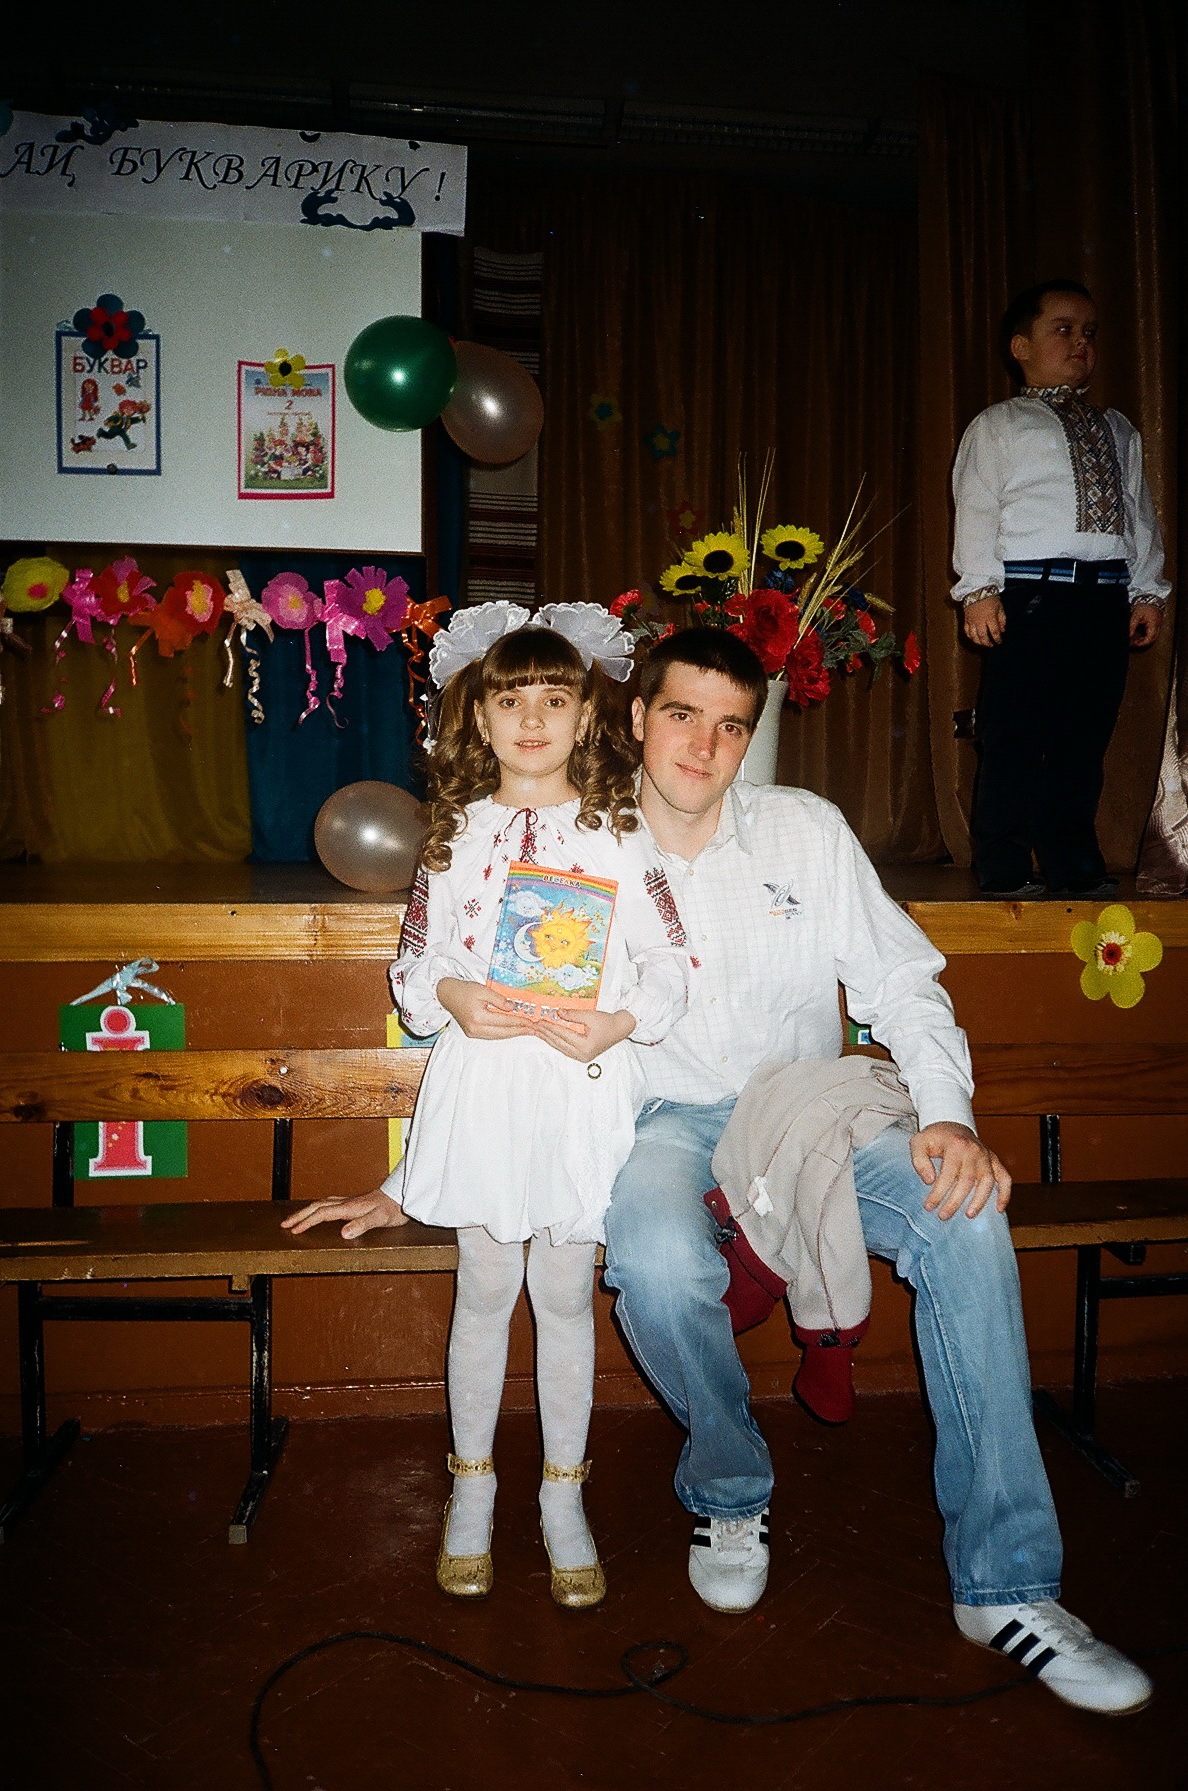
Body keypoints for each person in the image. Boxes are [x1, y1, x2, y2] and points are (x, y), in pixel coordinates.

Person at [599, 624, 1152, 1716]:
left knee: (964, 1214)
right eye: (681, 715)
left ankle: (1007, 1585)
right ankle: (730, 1488)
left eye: (730, 726)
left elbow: (902, 981)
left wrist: (948, 1117)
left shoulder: (806, 830)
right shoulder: (580, 848)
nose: (704, 747)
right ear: (635, 718)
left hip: (811, 1110)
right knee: (655, 1261)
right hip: (661, 1119)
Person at [284, 602, 691, 1612]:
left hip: (575, 1088)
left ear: (588, 716)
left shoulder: (622, 836)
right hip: (485, 1085)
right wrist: (453, 995)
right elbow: (416, 964)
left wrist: (621, 1020)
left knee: (563, 1297)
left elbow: (672, 963)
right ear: (476, 715)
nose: (533, 719)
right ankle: (472, 1489)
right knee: (484, 1288)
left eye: (555, 699)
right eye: (512, 701)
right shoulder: (453, 836)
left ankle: (563, 1496)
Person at [952, 279, 1169, 897]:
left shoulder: (1118, 429)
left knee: (1083, 738)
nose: (1081, 343)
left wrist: (1146, 590)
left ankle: (1073, 861)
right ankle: (1003, 867)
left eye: (1090, 332)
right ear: (1021, 346)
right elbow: (977, 507)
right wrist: (979, 589)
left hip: (1102, 599)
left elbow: (1138, 514)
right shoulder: (1000, 425)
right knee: (1015, 735)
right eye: (1064, 329)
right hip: (1031, 598)